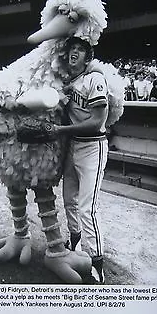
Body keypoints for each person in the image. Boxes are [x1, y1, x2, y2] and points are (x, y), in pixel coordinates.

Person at [53, 37, 109, 284]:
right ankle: (74, 244)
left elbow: (97, 121)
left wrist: (60, 130)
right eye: (72, 49)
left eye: (80, 50)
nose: (74, 52)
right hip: (74, 145)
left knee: (88, 208)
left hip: (93, 146)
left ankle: (98, 264)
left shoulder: (95, 78)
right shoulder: (69, 81)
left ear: (88, 57)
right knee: (69, 201)